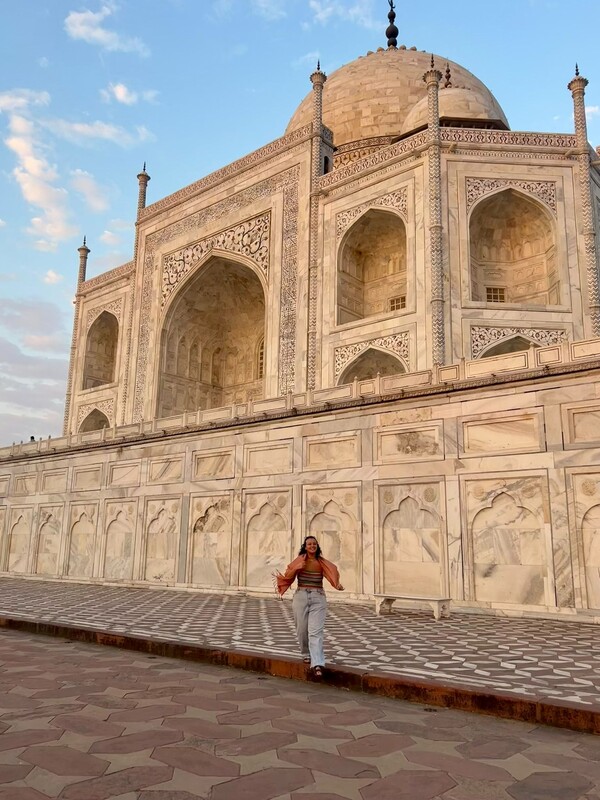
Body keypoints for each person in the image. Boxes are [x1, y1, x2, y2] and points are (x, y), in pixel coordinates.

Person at [275, 535, 344, 677]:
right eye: (309, 544)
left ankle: (318, 663)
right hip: (301, 596)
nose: (312, 546)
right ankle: (305, 653)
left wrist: (336, 584)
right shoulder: (299, 561)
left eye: (314, 544)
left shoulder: (321, 562)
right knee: (301, 629)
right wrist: (296, 569)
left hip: (318, 596)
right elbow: (288, 574)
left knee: (315, 631)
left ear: (317, 546)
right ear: (305, 547)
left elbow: (331, 574)